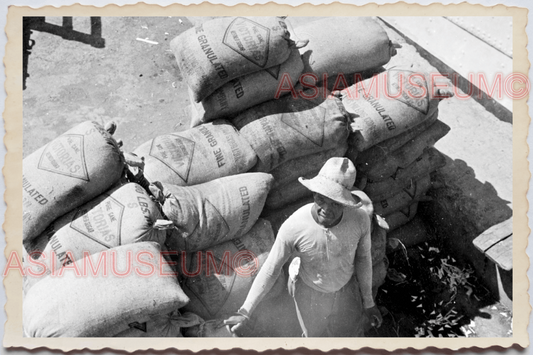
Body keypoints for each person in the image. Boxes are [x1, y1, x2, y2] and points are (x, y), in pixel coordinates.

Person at [224, 157, 382, 337]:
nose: (326, 209)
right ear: (314, 194)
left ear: (345, 202)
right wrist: (245, 311)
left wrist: (368, 303)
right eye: (322, 199)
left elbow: (363, 258)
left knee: (347, 334)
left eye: (335, 203)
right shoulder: (295, 225)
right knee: (312, 338)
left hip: (346, 290)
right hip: (310, 294)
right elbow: (270, 269)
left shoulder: (359, 219)